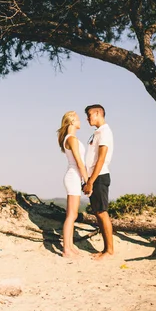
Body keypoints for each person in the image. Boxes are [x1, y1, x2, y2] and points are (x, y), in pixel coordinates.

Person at [83, 104, 114, 260]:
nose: (87, 118)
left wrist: (91, 181)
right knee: (98, 213)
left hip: (100, 177)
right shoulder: (97, 133)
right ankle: (105, 249)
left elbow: (101, 159)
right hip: (94, 177)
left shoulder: (105, 132)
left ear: (98, 113)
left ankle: (109, 251)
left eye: (89, 114)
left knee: (102, 213)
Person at [57, 111, 89, 258]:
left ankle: (69, 246)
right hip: (73, 177)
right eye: (77, 119)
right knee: (71, 215)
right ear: (71, 122)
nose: (80, 121)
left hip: (74, 177)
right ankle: (66, 249)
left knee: (73, 214)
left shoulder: (70, 138)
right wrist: (88, 180)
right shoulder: (72, 139)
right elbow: (79, 162)